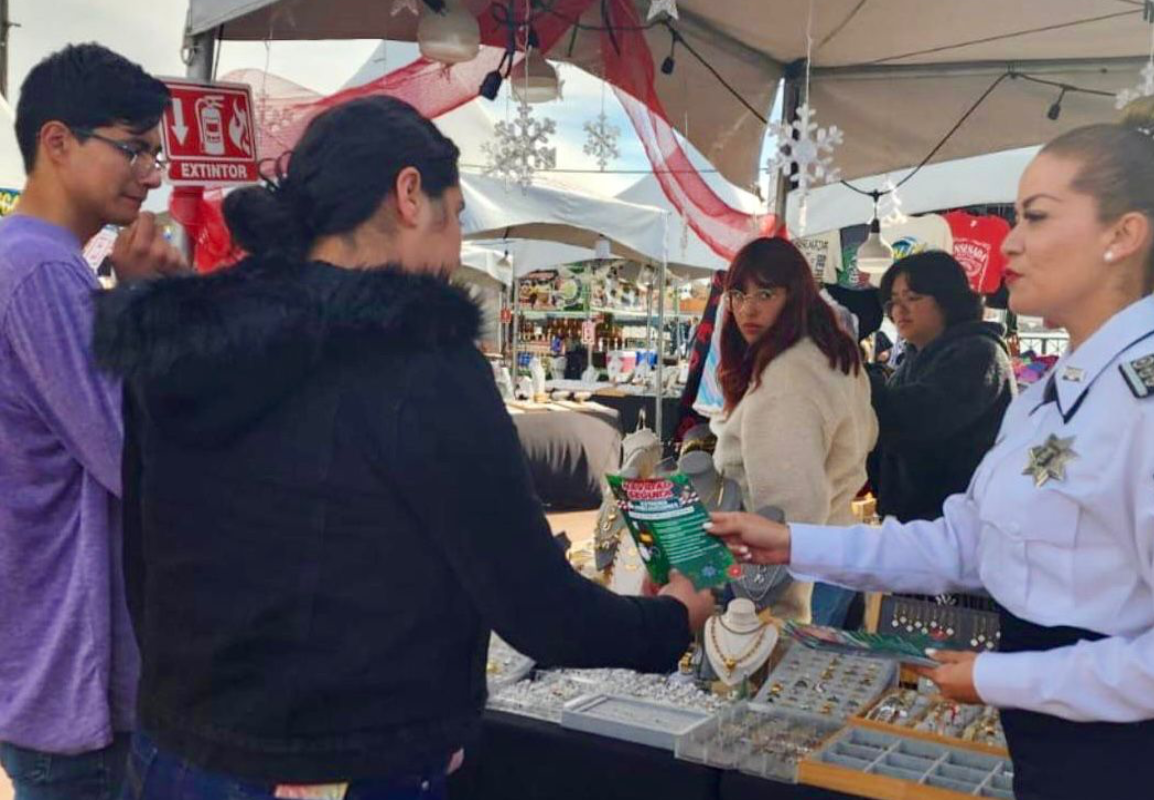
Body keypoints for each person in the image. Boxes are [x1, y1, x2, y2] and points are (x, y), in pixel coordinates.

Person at [93, 96, 713, 800]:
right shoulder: (420, 356)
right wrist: (670, 622)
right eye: (456, 220)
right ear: (411, 194)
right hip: (342, 762)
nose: (454, 255)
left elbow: (143, 554)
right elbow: (537, 606)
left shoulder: (184, 328)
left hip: (179, 748)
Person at [707, 97, 1154, 800]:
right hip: (1056, 751)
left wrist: (1000, 676)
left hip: (1144, 768)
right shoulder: (1048, 399)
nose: (1009, 243)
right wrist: (792, 542)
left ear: (1122, 235)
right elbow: (962, 546)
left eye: (1036, 216)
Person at [0, 43, 185, 800]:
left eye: (156, 152)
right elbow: (128, 453)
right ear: (57, 142)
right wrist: (144, 302)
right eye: (134, 148)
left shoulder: (44, 262)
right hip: (67, 680)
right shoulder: (42, 269)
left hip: (46, 662)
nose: (152, 172)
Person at [712, 236, 877, 623]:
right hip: (830, 562)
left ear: (795, 295)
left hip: (792, 584)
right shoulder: (829, 355)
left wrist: (778, 614)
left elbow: (790, 514)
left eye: (765, 294)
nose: (747, 308)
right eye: (738, 294)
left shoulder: (788, 375)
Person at [872, 251, 1014, 523]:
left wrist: (855, 379)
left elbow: (916, 417)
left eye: (912, 298)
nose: (899, 310)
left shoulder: (978, 352)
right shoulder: (914, 358)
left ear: (948, 300)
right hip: (913, 524)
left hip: (956, 525)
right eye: (893, 302)